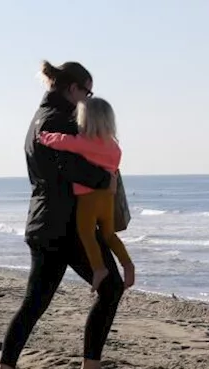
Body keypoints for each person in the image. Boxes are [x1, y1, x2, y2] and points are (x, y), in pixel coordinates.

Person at [0, 60, 125, 369]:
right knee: (110, 286)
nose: (88, 100)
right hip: (65, 225)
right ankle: (90, 368)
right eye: (87, 92)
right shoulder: (56, 121)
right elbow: (69, 166)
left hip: (46, 223)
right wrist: (103, 178)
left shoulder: (40, 118)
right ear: (72, 88)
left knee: (35, 302)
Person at [37, 96, 134, 292]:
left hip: (88, 198)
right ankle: (127, 264)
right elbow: (114, 168)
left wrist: (43, 137)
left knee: (86, 234)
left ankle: (98, 269)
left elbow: (61, 142)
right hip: (107, 198)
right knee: (108, 234)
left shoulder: (82, 142)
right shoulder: (115, 147)